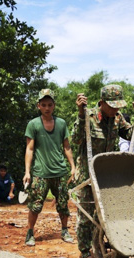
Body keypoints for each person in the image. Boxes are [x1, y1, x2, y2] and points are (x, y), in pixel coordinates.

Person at [72, 84, 134, 258]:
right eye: (112, 106)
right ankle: (84, 253)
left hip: (107, 176)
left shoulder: (118, 118)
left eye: (118, 106)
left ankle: (105, 244)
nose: (116, 109)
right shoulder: (88, 116)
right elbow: (75, 139)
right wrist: (81, 115)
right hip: (87, 175)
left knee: (106, 214)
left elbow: (131, 136)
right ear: (102, 102)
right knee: (86, 215)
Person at [23, 88, 77, 246]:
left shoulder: (61, 124)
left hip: (60, 172)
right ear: (38, 106)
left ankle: (65, 230)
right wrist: (27, 172)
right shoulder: (33, 124)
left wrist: (72, 166)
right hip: (40, 173)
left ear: (54, 106)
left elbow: (67, 147)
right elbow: (30, 149)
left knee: (62, 204)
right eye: (44, 104)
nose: (47, 108)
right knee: (35, 205)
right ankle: (30, 232)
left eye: (50, 104)